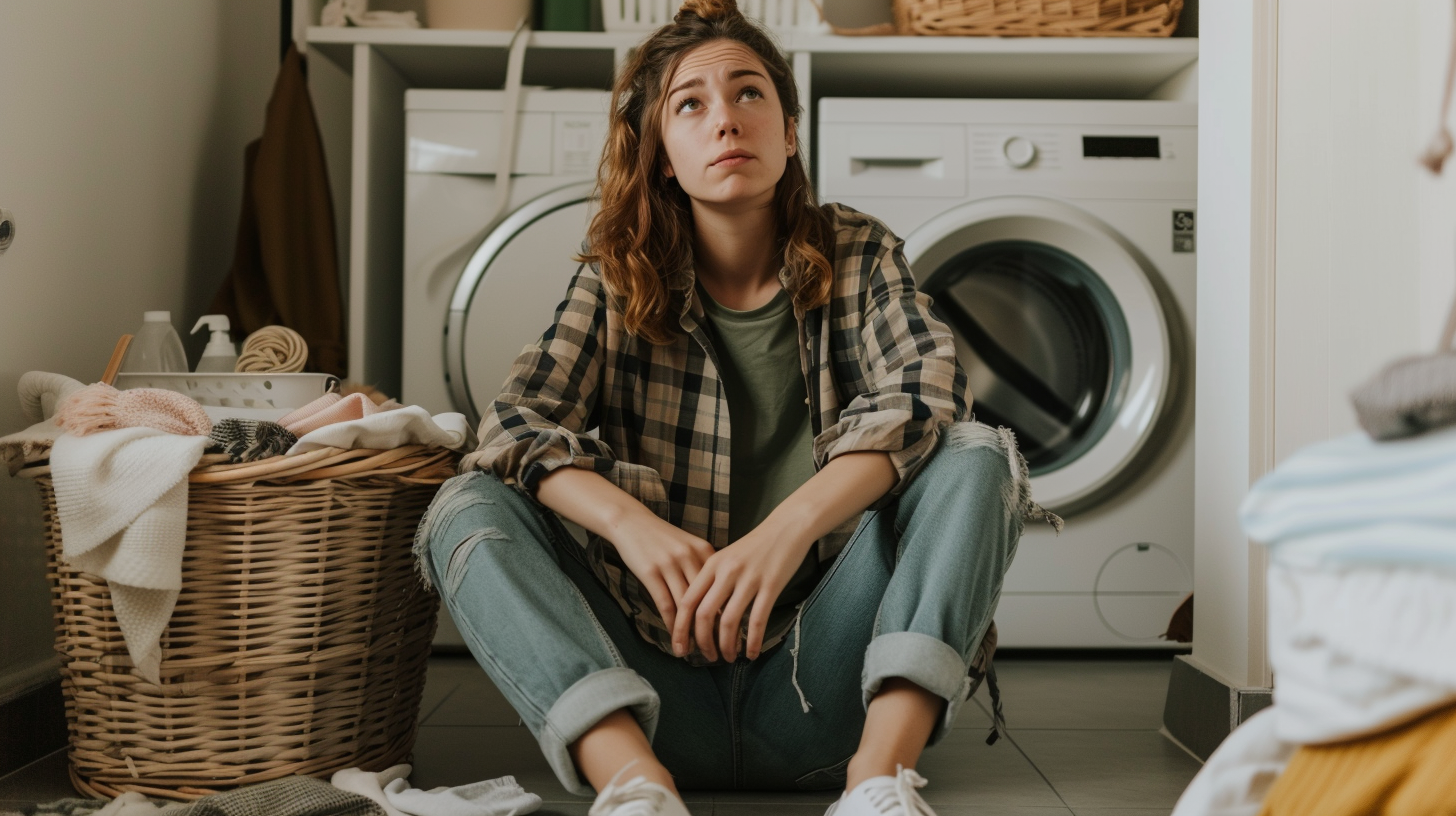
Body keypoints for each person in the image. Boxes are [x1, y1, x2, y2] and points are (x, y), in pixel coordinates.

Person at [413, 1, 1059, 813]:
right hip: (653, 698)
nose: (725, 119)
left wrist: (783, 535)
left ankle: (880, 785)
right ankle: (634, 790)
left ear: (789, 132)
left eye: (749, 94)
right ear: (661, 159)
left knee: (975, 452)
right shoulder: (620, 275)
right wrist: (629, 525)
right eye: (690, 104)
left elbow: (927, 391)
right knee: (462, 502)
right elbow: (512, 424)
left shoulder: (856, 250)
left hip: (825, 693)